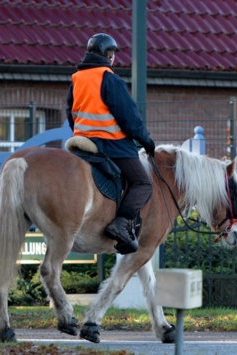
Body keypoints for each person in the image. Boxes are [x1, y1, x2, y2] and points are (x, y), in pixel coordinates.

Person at [66, 33, 155, 254]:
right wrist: (147, 141)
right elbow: (129, 118)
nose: (113, 57)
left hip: (83, 143)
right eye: (113, 53)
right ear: (108, 55)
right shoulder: (109, 78)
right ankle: (122, 222)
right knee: (143, 182)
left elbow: (71, 114)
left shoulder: (77, 79)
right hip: (111, 143)